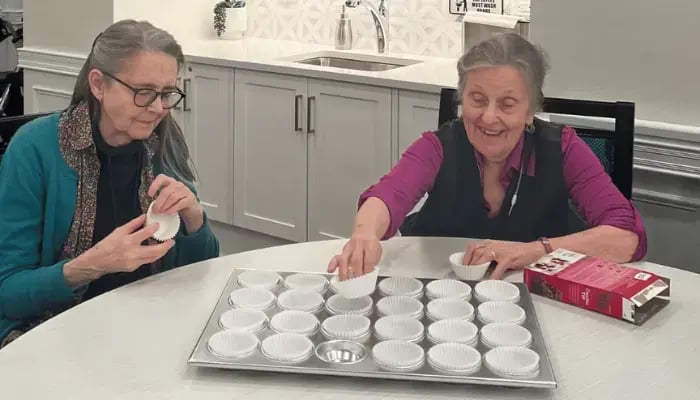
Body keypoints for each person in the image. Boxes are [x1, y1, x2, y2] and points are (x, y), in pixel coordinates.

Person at [328, 33, 646, 281]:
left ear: (530, 110)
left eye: (507, 104)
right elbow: (388, 195)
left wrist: (535, 251)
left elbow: (627, 238)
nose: (489, 117)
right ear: (461, 99)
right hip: (440, 297)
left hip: (537, 306)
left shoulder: (563, 148)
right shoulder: (438, 145)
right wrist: (364, 233)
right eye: (477, 100)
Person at [0, 20, 220, 348]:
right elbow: (8, 294)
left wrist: (193, 216)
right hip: (54, 336)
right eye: (144, 93)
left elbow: (199, 270)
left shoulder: (163, 140)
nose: (159, 109)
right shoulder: (33, 149)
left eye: (167, 93)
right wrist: (88, 267)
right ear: (99, 84)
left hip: (148, 324)